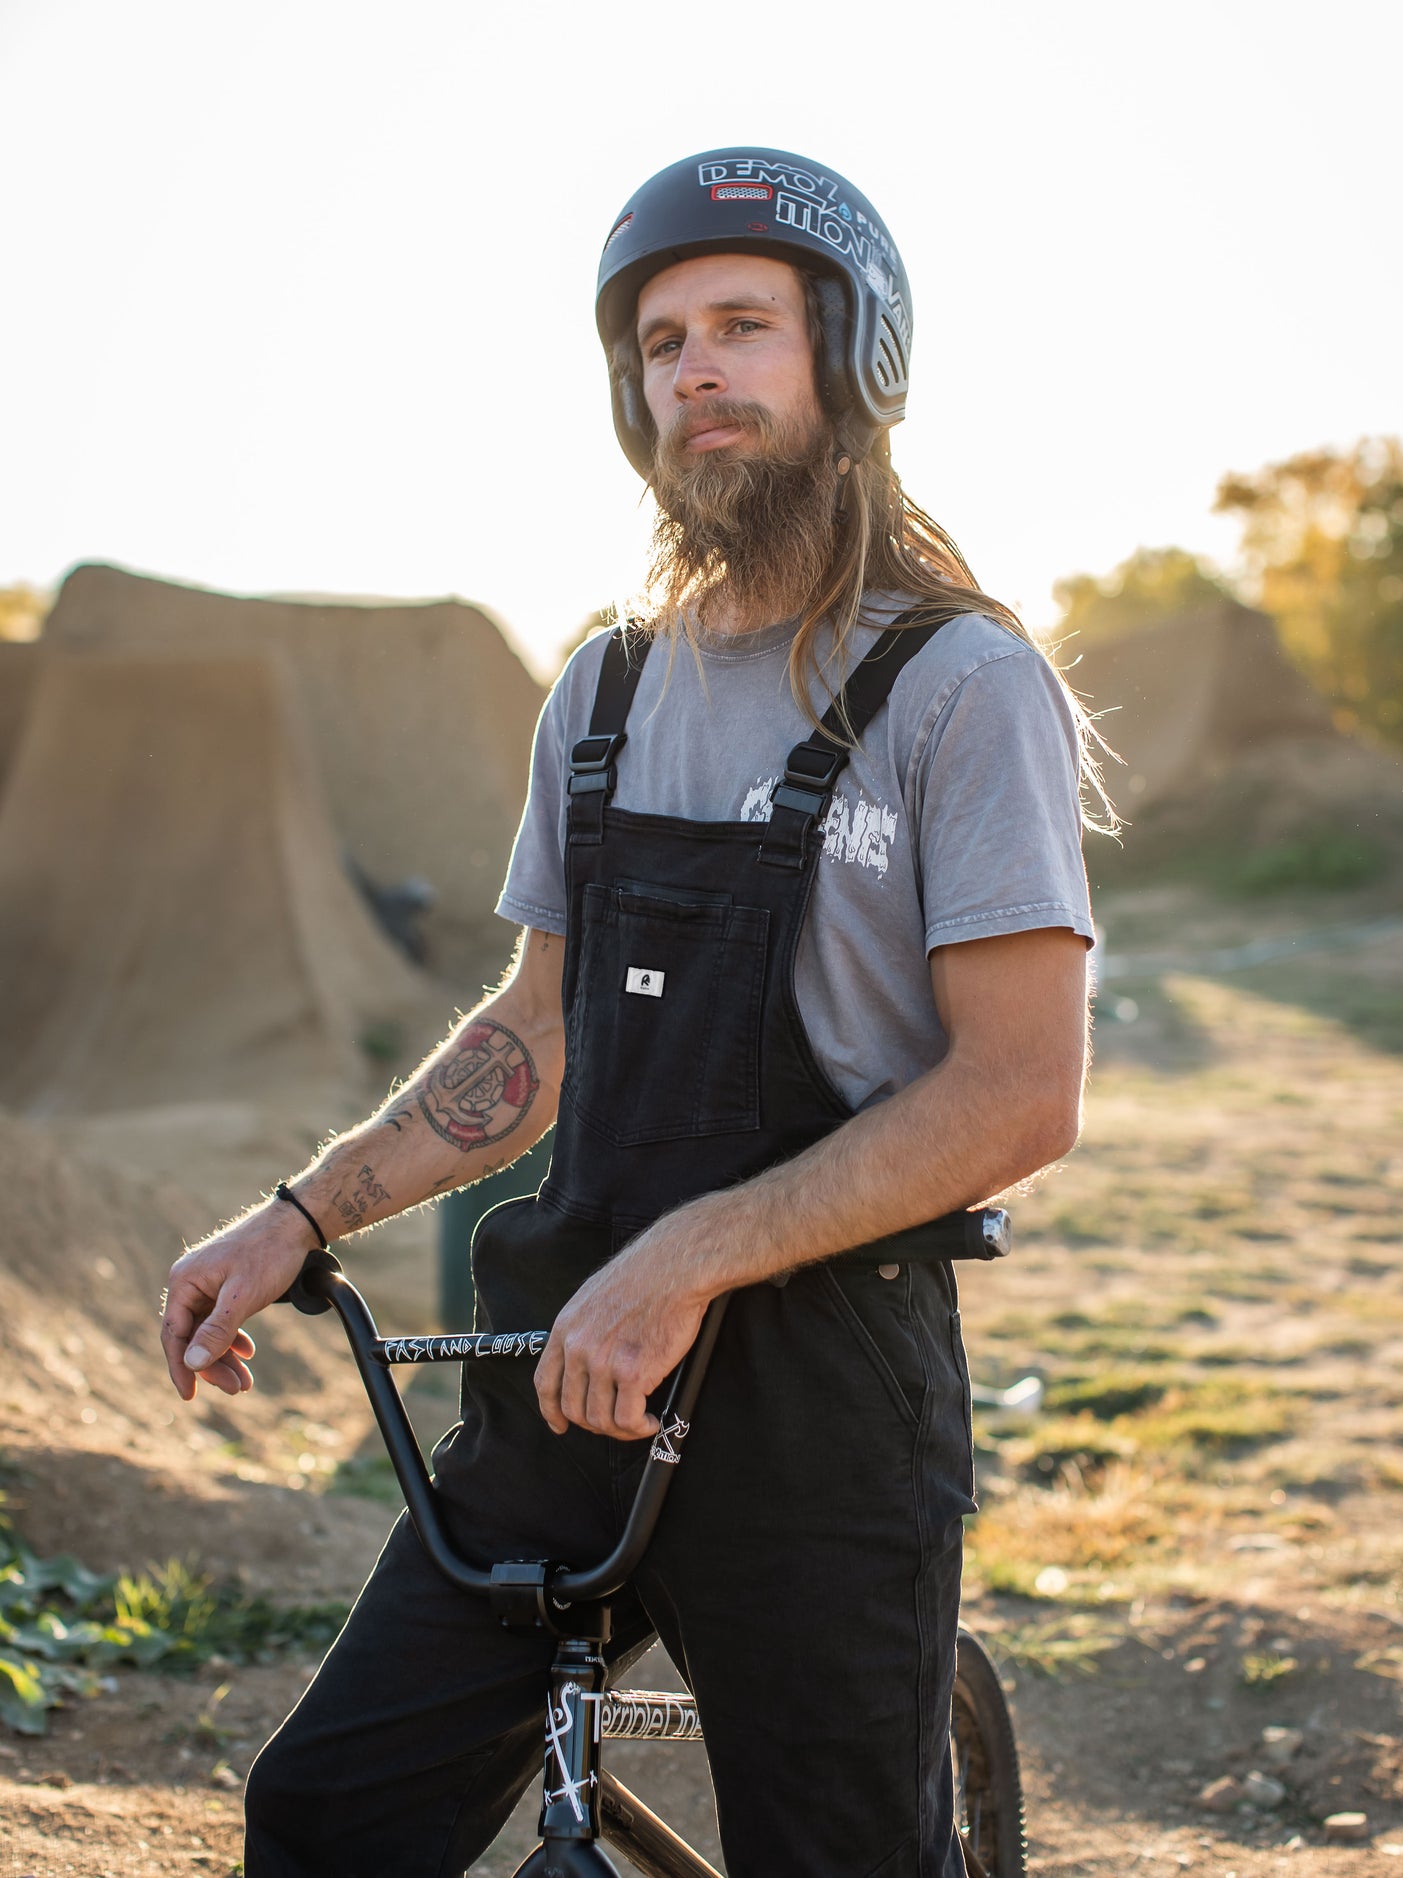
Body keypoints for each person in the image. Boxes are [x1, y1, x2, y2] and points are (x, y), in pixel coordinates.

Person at [161, 145, 1099, 1877]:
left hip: (821, 1405)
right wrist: (301, 1215)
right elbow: (537, 1032)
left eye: (743, 327)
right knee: (323, 1818)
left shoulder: (962, 688)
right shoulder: (599, 686)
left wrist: (690, 1261)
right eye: (662, 344)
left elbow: (1023, 1093)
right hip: (562, 1375)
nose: (697, 376)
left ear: (852, 361)